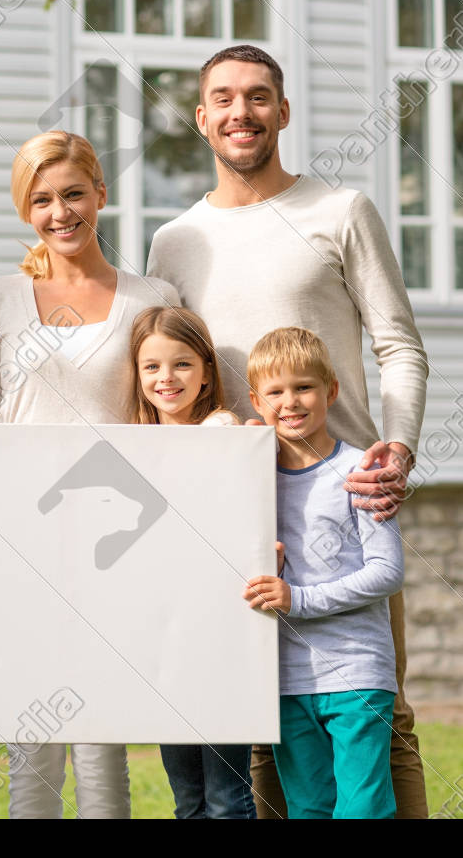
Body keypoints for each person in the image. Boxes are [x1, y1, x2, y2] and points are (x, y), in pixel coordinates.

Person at [144, 44, 429, 818]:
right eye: (225, 99)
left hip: (345, 497)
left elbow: (399, 345)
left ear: (284, 111)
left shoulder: (340, 212)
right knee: (259, 717)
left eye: (260, 96)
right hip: (236, 513)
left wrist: (395, 449)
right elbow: (160, 362)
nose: (243, 112)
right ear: (202, 119)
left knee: (378, 713)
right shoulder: (175, 241)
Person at [0, 130, 179, 819]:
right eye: (43, 200)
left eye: (74, 195)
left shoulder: (153, 295)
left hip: (115, 537)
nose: (61, 212)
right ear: (27, 210)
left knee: (99, 732)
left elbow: (172, 412)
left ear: (102, 196)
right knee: (32, 733)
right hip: (22, 539)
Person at [241, 327, 403, 819]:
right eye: (275, 392)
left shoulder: (361, 471)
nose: (290, 402)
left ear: (331, 391)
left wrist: (299, 600)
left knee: (362, 809)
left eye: (304, 387)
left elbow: (387, 571)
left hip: (357, 672)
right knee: (308, 809)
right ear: (257, 401)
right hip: (288, 678)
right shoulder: (250, 477)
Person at [125, 306, 255, 819]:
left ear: (205, 373)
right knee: (188, 799)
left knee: (226, 796)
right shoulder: (134, 445)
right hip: (163, 640)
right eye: (152, 366)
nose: (166, 378)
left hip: (219, 632)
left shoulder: (222, 430)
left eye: (181, 364)